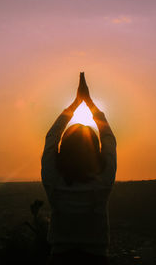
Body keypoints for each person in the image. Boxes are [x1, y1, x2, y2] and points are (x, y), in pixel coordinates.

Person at [41, 72, 117, 265]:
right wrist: (89, 103)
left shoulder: (54, 182)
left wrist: (75, 105)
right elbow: (108, 139)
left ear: (63, 150)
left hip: (60, 258)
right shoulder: (102, 183)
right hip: (97, 258)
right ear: (95, 152)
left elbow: (51, 138)